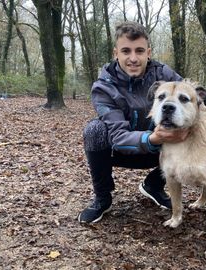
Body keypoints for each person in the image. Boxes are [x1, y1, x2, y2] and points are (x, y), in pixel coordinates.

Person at [78, 21, 189, 223]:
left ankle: (154, 185)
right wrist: (153, 137)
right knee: (94, 131)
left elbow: (192, 99)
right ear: (116, 53)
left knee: (192, 127)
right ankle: (103, 197)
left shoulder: (165, 75)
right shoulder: (103, 87)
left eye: (139, 51)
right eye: (126, 51)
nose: (133, 58)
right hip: (121, 151)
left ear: (148, 52)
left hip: (162, 152)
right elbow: (118, 137)